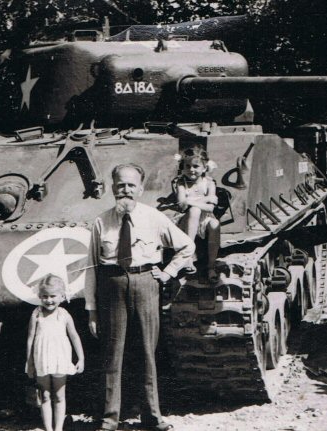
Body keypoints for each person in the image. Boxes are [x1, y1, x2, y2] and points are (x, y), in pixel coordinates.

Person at [85, 163, 195, 431]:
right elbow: (91, 268)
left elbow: (186, 245)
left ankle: (152, 417)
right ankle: (109, 419)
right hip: (112, 285)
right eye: (121, 185)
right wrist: (91, 310)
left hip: (147, 283)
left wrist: (168, 272)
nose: (126, 190)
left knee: (147, 352)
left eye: (131, 185)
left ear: (141, 189)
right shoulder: (101, 221)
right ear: (112, 189)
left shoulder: (154, 218)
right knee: (113, 354)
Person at [26, 275, 85, 431]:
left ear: (62, 296)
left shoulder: (64, 314)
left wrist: (81, 358)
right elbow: (30, 339)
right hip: (42, 359)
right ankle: (48, 429)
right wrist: (29, 362)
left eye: (53, 296)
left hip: (60, 359)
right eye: (44, 296)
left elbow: (74, 336)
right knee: (44, 396)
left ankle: (58, 428)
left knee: (59, 396)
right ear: (39, 296)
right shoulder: (36, 314)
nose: (49, 300)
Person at [173, 145, 220, 281]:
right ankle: (188, 256)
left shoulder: (209, 183)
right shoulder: (181, 183)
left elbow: (210, 208)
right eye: (187, 166)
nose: (191, 170)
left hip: (205, 219)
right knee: (194, 210)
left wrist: (189, 201)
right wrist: (204, 199)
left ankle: (211, 266)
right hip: (186, 220)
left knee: (215, 223)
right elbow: (182, 205)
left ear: (204, 168)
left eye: (195, 166)